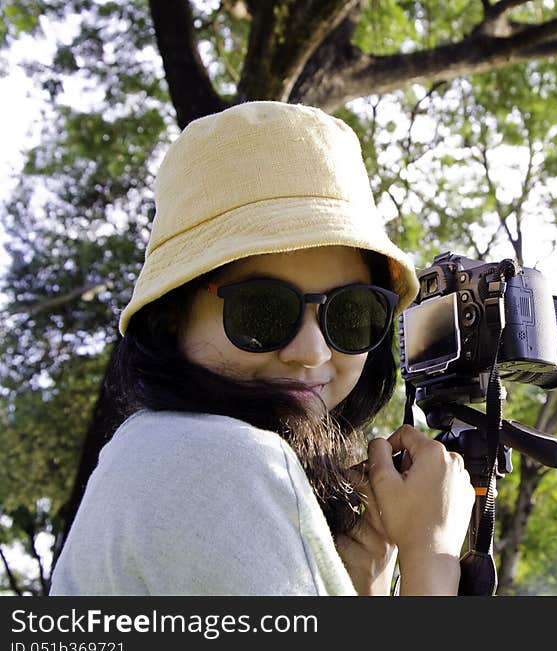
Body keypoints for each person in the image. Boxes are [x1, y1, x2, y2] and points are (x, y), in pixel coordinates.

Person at [49, 101, 476, 596]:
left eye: (352, 312)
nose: (312, 351)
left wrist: (364, 581)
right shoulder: (223, 462)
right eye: (263, 311)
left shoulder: (147, 452)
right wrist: (431, 557)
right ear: (170, 316)